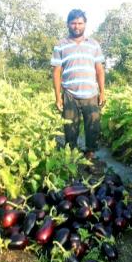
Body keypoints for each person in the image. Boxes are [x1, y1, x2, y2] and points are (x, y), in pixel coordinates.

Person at [51, 9, 105, 160]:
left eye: (80, 23)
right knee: (70, 128)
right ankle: (72, 156)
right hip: (69, 93)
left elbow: (99, 70)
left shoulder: (94, 44)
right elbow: (56, 72)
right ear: (68, 24)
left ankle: (90, 153)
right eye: (73, 23)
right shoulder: (60, 45)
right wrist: (58, 97)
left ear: (85, 24)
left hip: (91, 93)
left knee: (93, 125)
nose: (77, 26)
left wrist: (102, 92)